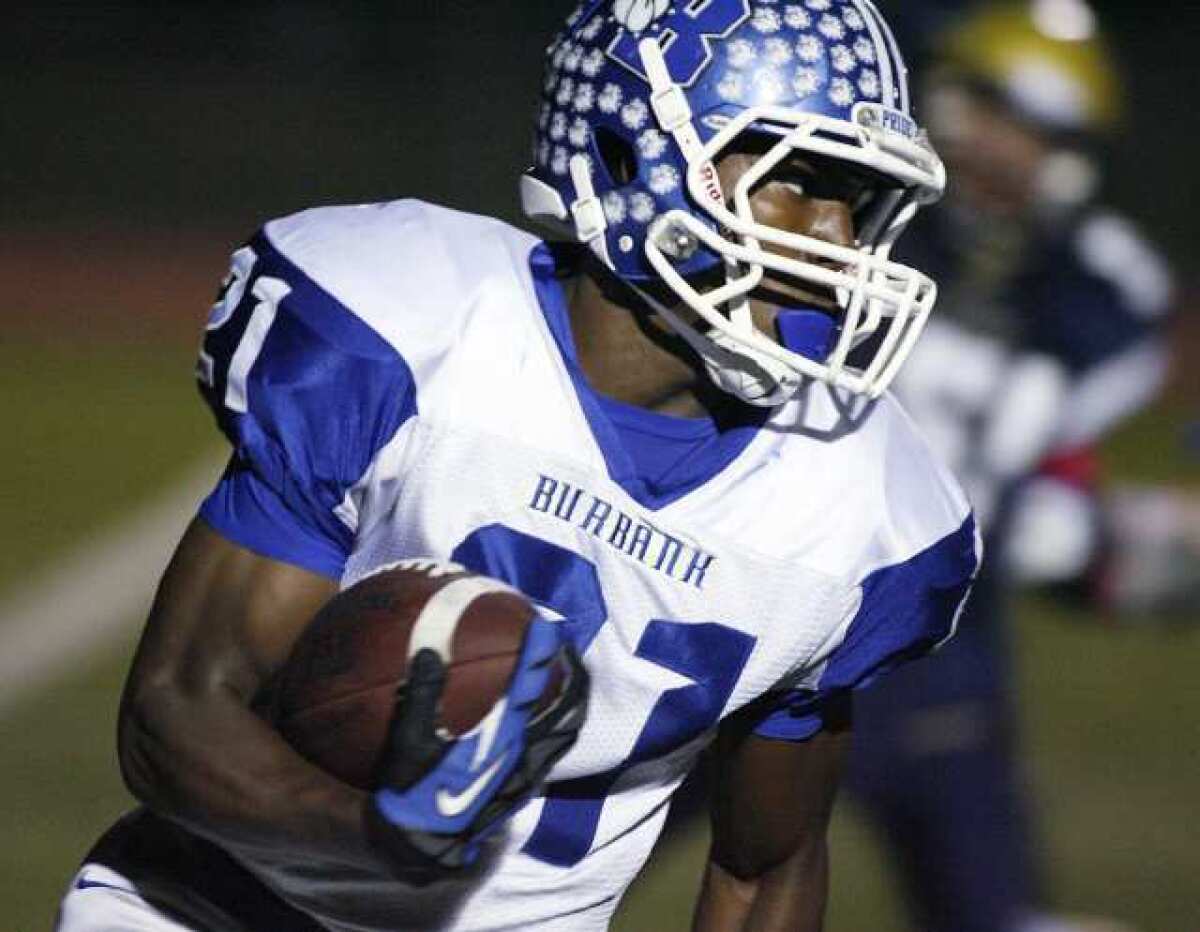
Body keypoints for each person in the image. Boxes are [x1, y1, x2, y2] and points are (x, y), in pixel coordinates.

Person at [55, 2, 978, 930]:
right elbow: (176, 710)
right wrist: (368, 832)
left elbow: (764, 868)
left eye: (857, 203)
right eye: (801, 181)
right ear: (633, 154)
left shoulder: (860, 504)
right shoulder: (414, 336)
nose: (837, 241)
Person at [842, 4, 1172, 931]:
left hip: (939, 662)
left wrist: (1092, 533)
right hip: (764, 614)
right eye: (996, 117)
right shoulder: (850, 209)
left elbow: (1049, 490)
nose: (1006, 155)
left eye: (1036, 136)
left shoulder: (1097, 291)